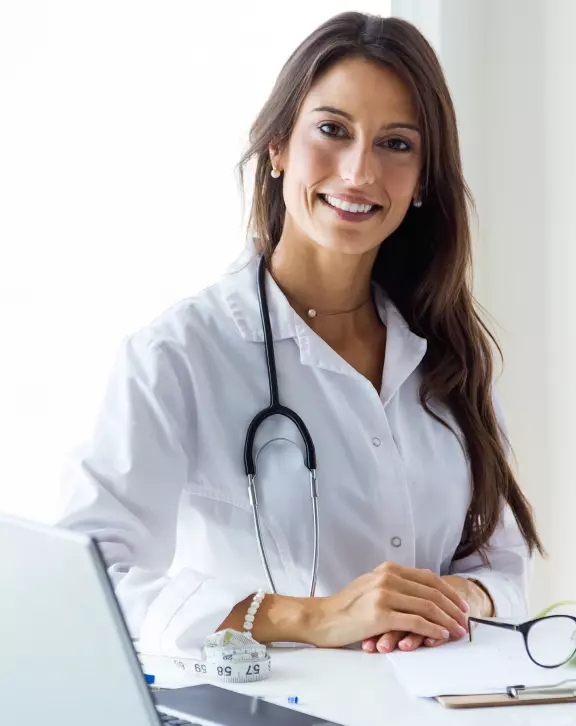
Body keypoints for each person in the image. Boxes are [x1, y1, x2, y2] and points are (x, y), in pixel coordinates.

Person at [58, 11, 544, 660]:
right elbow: (88, 581)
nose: (358, 173)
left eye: (396, 143)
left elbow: (503, 570)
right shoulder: (178, 355)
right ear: (278, 146)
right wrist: (309, 617)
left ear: (424, 179)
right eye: (332, 131)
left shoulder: (446, 355)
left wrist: (453, 602)